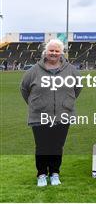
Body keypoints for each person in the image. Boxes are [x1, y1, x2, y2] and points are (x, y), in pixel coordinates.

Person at [20, 39, 82, 187]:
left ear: (61, 52)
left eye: (56, 51)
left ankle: (55, 173)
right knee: (42, 146)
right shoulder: (33, 71)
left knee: (57, 146)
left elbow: (77, 87)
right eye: (51, 50)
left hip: (63, 115)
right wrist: (36, 104)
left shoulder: (71, 70)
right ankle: (41, 174)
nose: (53, 53)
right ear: (45, 52)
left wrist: (67, 102)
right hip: (40, 115)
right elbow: (24, 89)